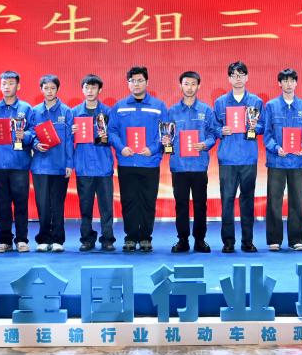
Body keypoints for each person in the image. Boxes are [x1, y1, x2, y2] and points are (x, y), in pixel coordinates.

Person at [108, 66, 168, 253]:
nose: (136, 84)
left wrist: (153, 149)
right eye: (132, 81)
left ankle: (145, 238)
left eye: (140, 80)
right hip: (127, 162)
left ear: (147, 82)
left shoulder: (158, 106)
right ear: (128, 83)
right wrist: (121, 147)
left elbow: (165, 132)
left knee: (148, 202)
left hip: (149, 162)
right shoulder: (119, 106)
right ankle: (130, 237)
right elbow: (112, 131)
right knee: (129, 201)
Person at [213, 61, 266, 253]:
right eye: (234, 75)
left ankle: (247, 241)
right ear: (229, 79)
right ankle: (228, 242)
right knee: (227, 201)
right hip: (227, 159)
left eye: (241, 75)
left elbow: (263, 126)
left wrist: (253, 127)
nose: (238, 79)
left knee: (247, 201)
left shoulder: (256, 102)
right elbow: (213, 127)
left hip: (248, 158)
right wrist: (221, 130)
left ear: (247, 77)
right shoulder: (220, 102)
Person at [166, 71, 219, 253]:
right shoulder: (172, 111)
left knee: (200, 205)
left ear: (199, 86)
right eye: (186, 84)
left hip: (199, 166)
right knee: (181, 205)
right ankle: (182, 240)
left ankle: (200, 240)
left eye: (193, 84)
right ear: (180, 86)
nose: (189, 88)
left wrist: (206, 144)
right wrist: (166, 141)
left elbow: (213, 133)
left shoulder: (206, 110)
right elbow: (166, 135)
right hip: (179, 166)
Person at [264, 68, 302, 251]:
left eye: (291, 80)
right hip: (276, 161)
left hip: (296, 162)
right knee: (274, 202)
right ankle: (274, 240)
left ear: (296, 83)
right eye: (285, 81)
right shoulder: (271, 106)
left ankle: (296, 240)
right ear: (279, 83)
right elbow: (267, 133)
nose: (288, 84)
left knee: (297, 202)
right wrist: (275, 148)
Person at [0, 71, 33, 254]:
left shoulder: (26, 108)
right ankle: (4, 240)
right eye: (4, 84)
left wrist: (26, 135)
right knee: (3, 205)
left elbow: (34, 132)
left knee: (21, 204)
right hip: (0, 164)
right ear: (0, 86)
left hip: (20, 163)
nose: (7, 87)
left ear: (18, 86)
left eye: (11, 83)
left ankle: (22, 239)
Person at [70, 74, 116, 252]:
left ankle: (107, 239)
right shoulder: (74, 113)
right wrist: (70, 132)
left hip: (103, 166)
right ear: (82, 90)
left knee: (106, 207)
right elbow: (67, 141)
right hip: (83, 167)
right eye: (87, 88)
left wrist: (107, 136)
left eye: (93, 88)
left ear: (100, 90)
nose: (90, 91)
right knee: (85, 207)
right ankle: (87, 239)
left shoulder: (108, 112)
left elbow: (115, 137)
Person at [30, 74, 74, 252]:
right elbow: (29, 133)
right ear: (41, 89)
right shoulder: (34, 111)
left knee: (57, 204)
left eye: (52, 88)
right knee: (42, 204)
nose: (49, 91)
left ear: (58, 89)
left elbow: (70, 140)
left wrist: (69, 164)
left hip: (60, 165)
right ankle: (43, 239)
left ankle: (58, 240)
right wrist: (35, 144)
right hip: (40, 166)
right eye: (46, 88)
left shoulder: (66, 111)